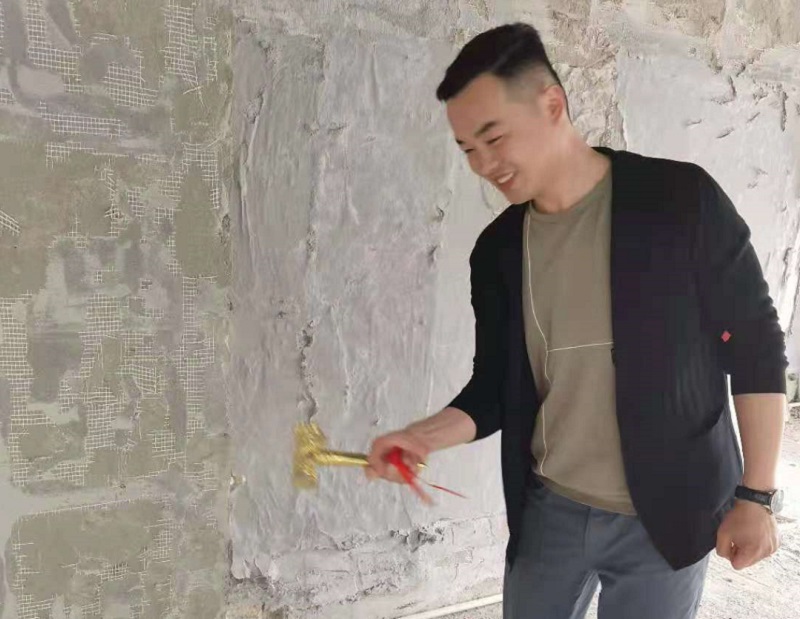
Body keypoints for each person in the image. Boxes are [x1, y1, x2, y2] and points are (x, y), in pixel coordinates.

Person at [365, 22, 787, 619]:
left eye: (494, 137)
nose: (484, 164)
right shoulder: (498, 250)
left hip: (668, 513)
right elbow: (495, 387)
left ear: (552, 105)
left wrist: (756, 495)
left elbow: (756, 347)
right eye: (467, 149)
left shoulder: (679, 200)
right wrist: (422, 437)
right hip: (550, 512)